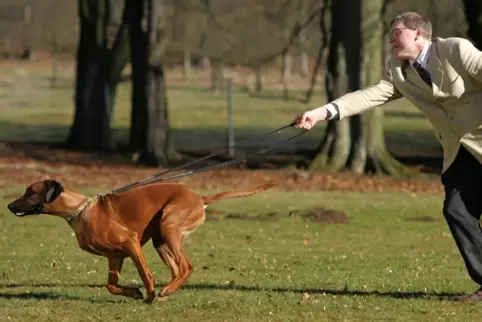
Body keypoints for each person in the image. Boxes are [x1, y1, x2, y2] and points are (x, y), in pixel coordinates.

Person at [292, 11, 482, 302]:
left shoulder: (456, 49)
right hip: (459, 153)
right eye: (389, 35)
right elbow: (367, 96)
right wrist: (320, 114)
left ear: (418, 33)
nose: (391, 39)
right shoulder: (398, 72)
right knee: (456, 211)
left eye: (397, 32)